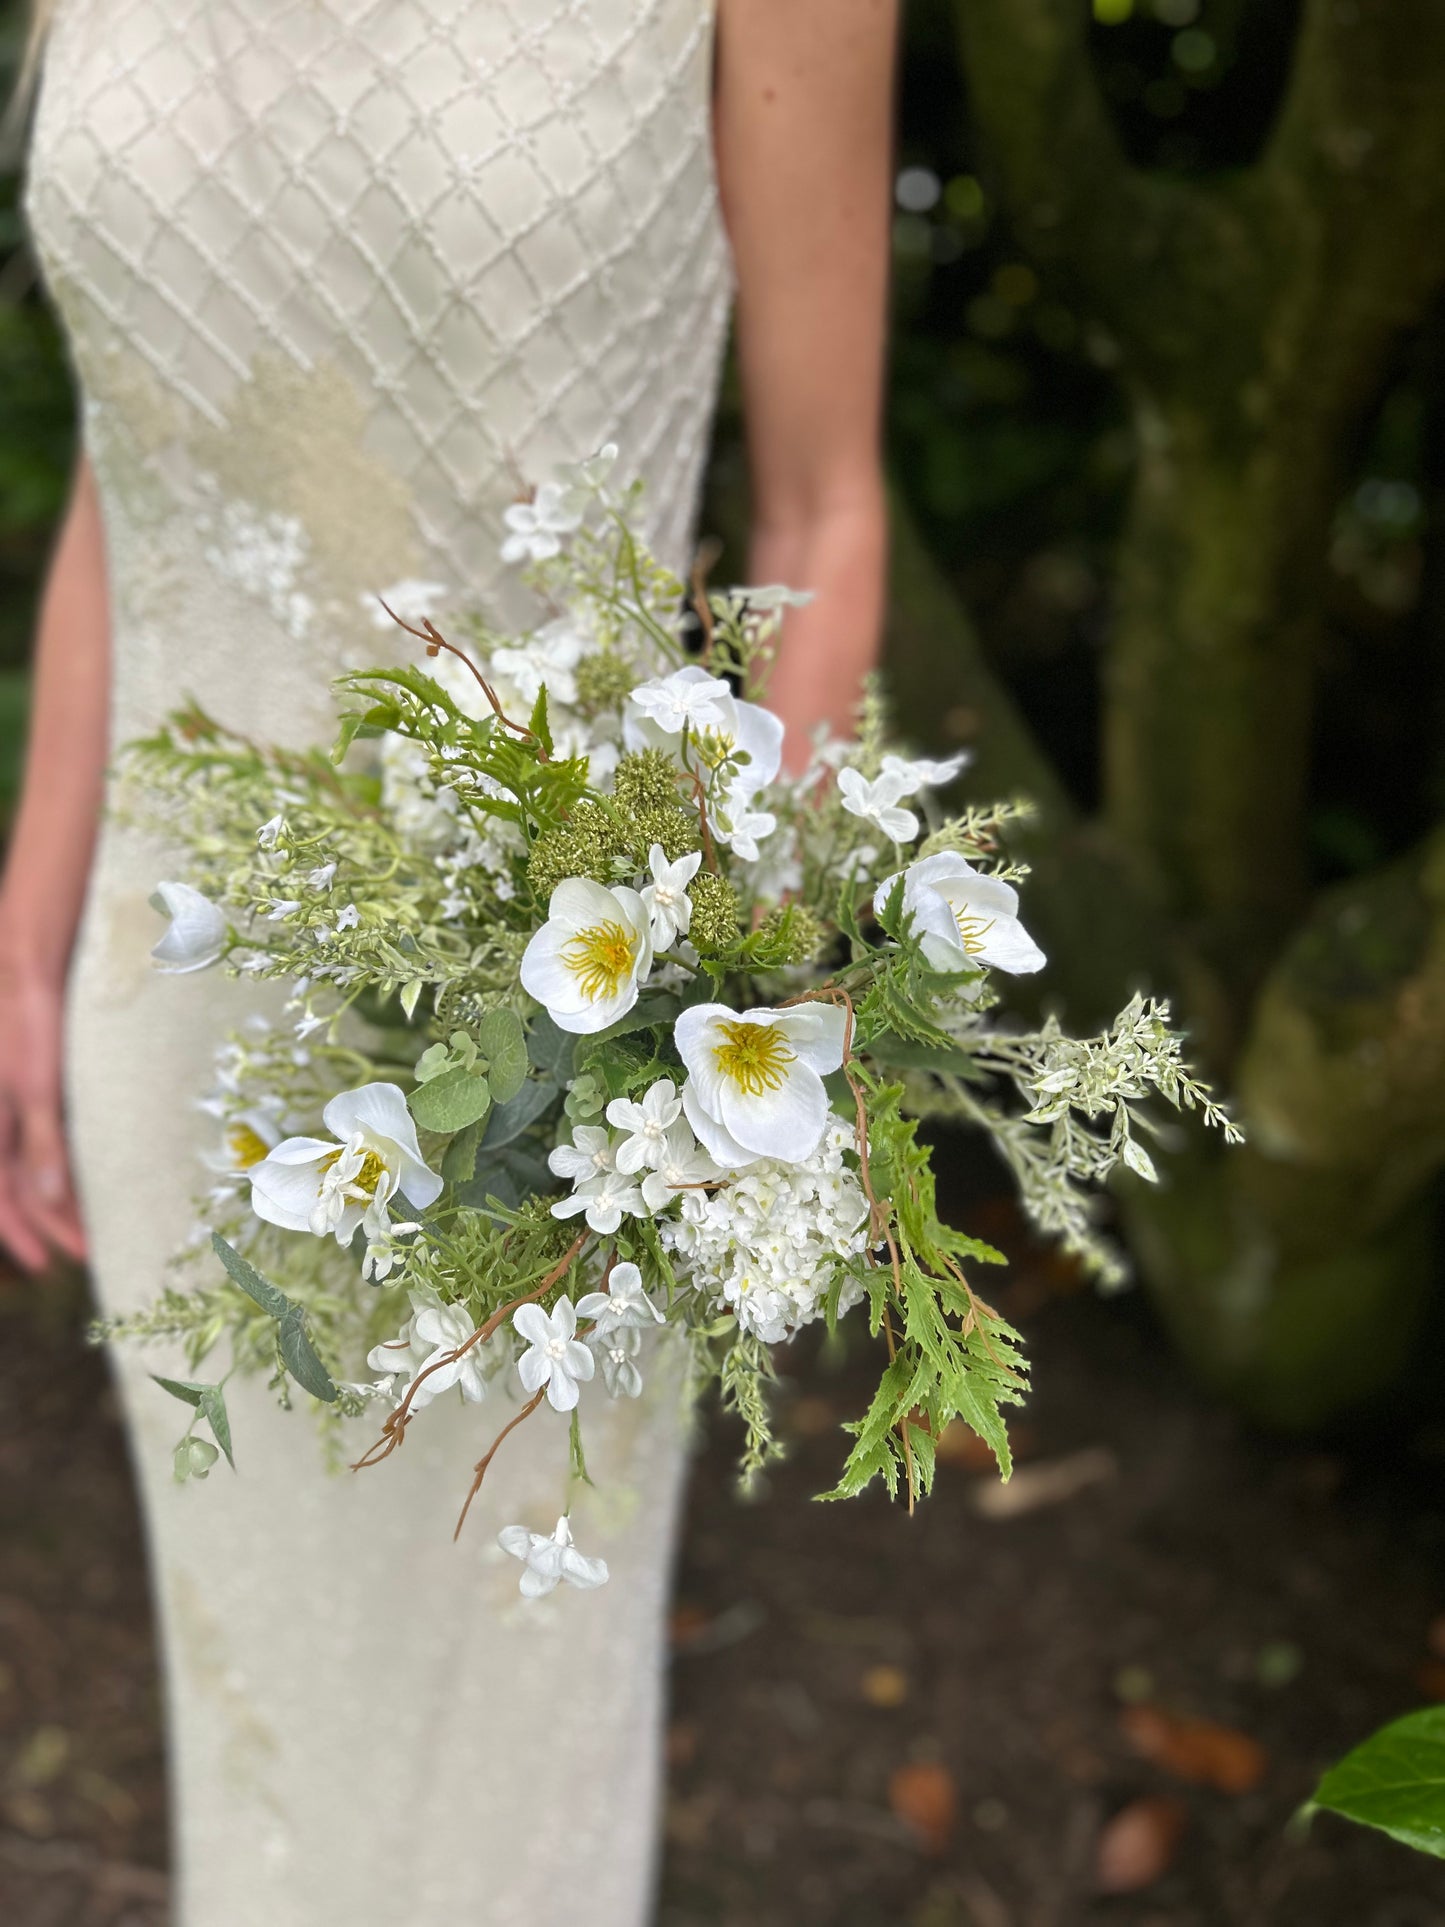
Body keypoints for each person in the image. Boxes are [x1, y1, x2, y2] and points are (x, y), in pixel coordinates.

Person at [3, 1, 895, 1919]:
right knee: (260, 1717)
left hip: (560, 1047)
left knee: (508, 1737)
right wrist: (26, 929)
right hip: (186, 1016)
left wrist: (743, 990)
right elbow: (133, 467)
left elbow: (822, 510)